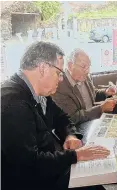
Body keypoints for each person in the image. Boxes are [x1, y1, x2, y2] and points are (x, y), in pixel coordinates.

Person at [1, 42, 110, 190]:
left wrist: (70, 135)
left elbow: (61, 117)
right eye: (59, 73)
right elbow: (29, 164)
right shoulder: (14, 104)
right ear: (43, 69)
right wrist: (76, 156)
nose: (60, 79)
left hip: (47, 167)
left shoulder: (39, 93)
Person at [52, 48, 117, 125]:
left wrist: (106, 92)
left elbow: (93, 94)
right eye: (83, 67)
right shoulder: (59, 86)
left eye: (89, 66)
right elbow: (72, 118)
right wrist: (101, 108)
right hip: (79, 127)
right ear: (70, 65)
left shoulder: (84, 76)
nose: (87, 71)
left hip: (93, 121)